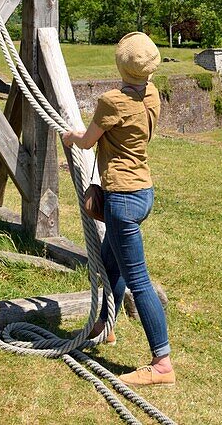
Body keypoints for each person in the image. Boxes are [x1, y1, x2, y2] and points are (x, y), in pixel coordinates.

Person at [61, 31, 175, 387]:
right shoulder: (152, 94)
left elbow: (86, 141)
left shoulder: (111, 101)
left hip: (122, 199)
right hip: (142, 192)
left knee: (139, 282)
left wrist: (69, 137)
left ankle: (162, 364)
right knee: (112, 264)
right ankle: (104, 326)